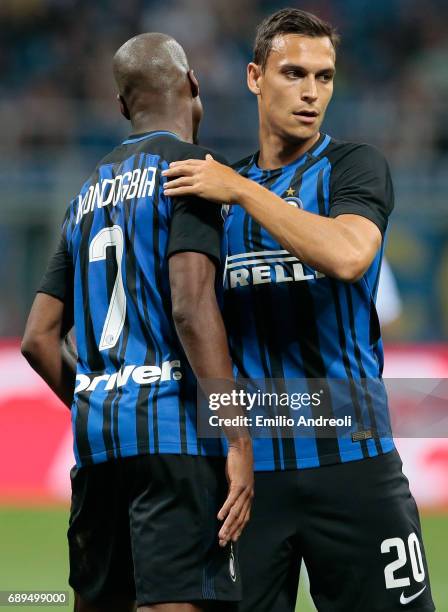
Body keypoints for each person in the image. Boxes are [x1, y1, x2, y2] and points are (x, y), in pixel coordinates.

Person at [162, 9, 435, 612]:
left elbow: (347, 255)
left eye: (325, 76)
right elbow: (188, 319)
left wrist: (242, 189)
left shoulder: (353, 167)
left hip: (356, 463)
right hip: (249, 478)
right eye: (293, 73)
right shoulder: (214, 194)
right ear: (256, 76)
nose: (312, 92)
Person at [21, 33, 253, 612]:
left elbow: (38, 339)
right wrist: (238, 434)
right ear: (194, 86)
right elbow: (191, 305)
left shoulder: (86, 195)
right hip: (171, 440)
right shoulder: (192, 172)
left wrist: (97, 397)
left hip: (98, 445)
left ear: (122, 107)